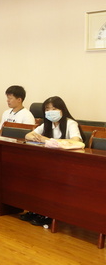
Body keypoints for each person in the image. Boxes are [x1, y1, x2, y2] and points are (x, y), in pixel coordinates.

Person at [23, 96, 83, 226]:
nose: (50, 112)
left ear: (62, 110)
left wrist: (48, 140)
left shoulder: (70, 123)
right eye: (47, 109)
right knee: (32, 175)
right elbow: (28, 135)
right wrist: (37, 137)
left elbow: (76, 141)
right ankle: (36, 210)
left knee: (49, 179)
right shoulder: (47, 124)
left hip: (67, 164)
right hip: (49, 162)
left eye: (54, 109)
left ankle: (48, 213)